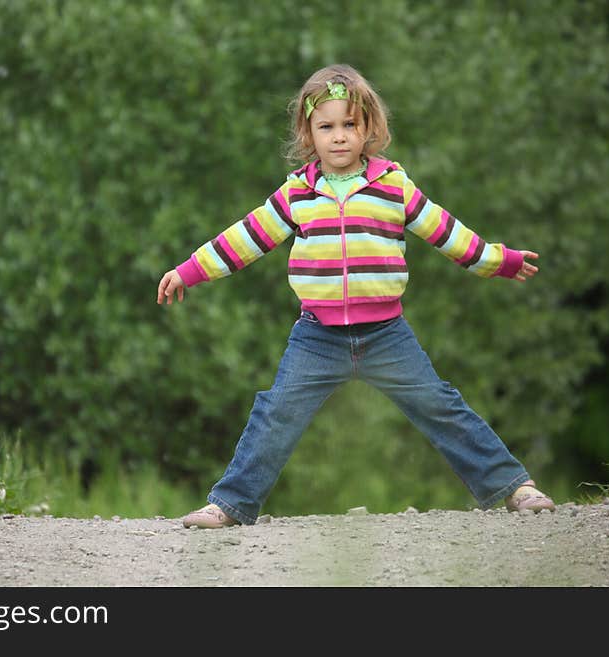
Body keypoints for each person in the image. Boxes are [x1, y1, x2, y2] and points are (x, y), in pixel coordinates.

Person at [157, 64, 555, 529]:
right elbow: (244, 240)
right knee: (275, 413)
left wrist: (497, 260)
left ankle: (514, 487)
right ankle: (229, 504)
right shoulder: (297, 195)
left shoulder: (393, 187)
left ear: (369, 128)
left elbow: (446, 232)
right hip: (316, 336)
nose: (339, 136)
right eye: (326, 126)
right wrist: (188, 271)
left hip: (386, 335)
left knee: (439, 405)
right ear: (309, 133)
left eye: (350, 124)